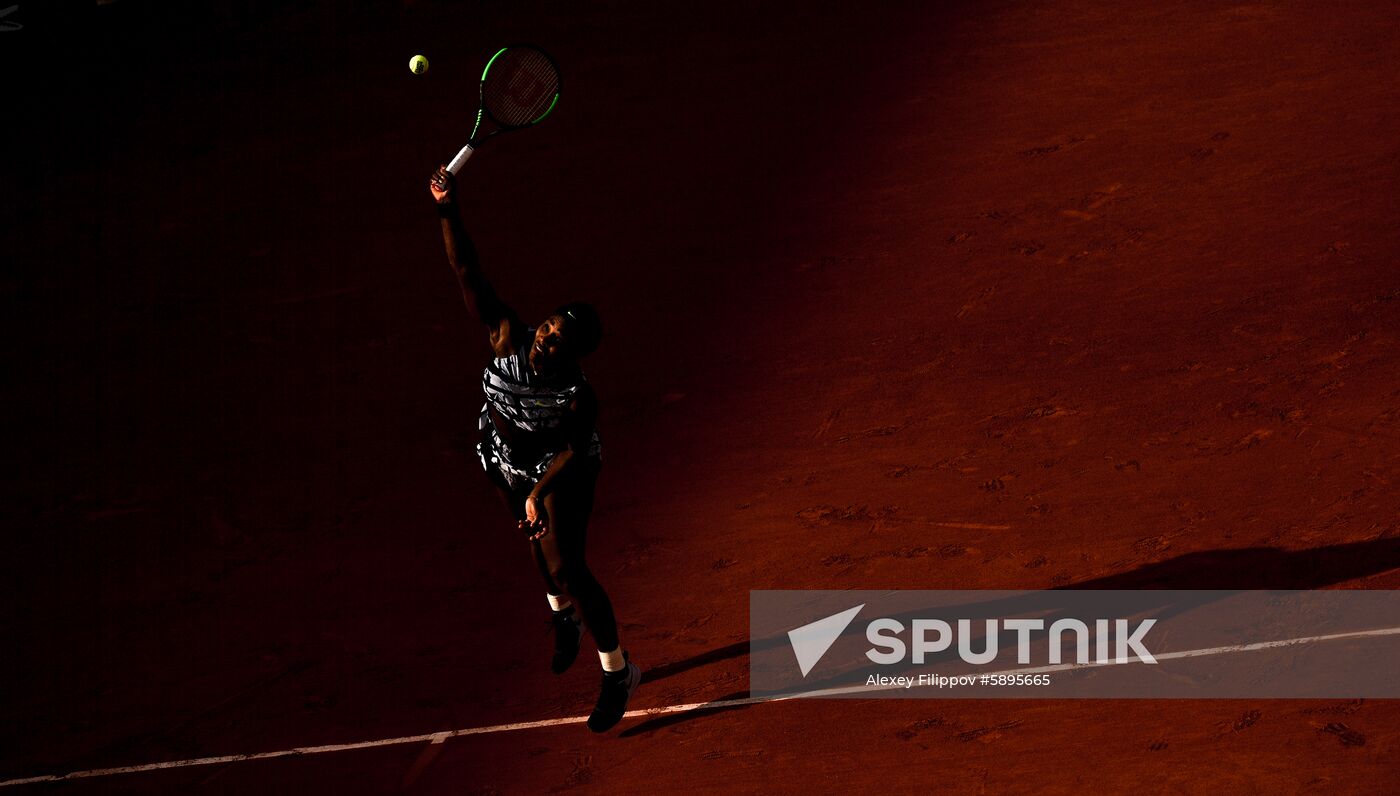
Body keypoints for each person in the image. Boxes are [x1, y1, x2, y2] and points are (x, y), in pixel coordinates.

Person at [429, 165, 640, 733]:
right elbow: (465, 268)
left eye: (559, 340)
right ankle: (560, 615)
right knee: (534, 549)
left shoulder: (576, 394)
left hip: (561, 465)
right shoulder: (504, 336)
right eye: (547, 327)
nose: (546, 340)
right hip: (500, 451)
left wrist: (539, 492)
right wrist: (447, 207)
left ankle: (617, 669)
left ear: (576, 356)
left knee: (569, 564)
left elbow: (572, 451)